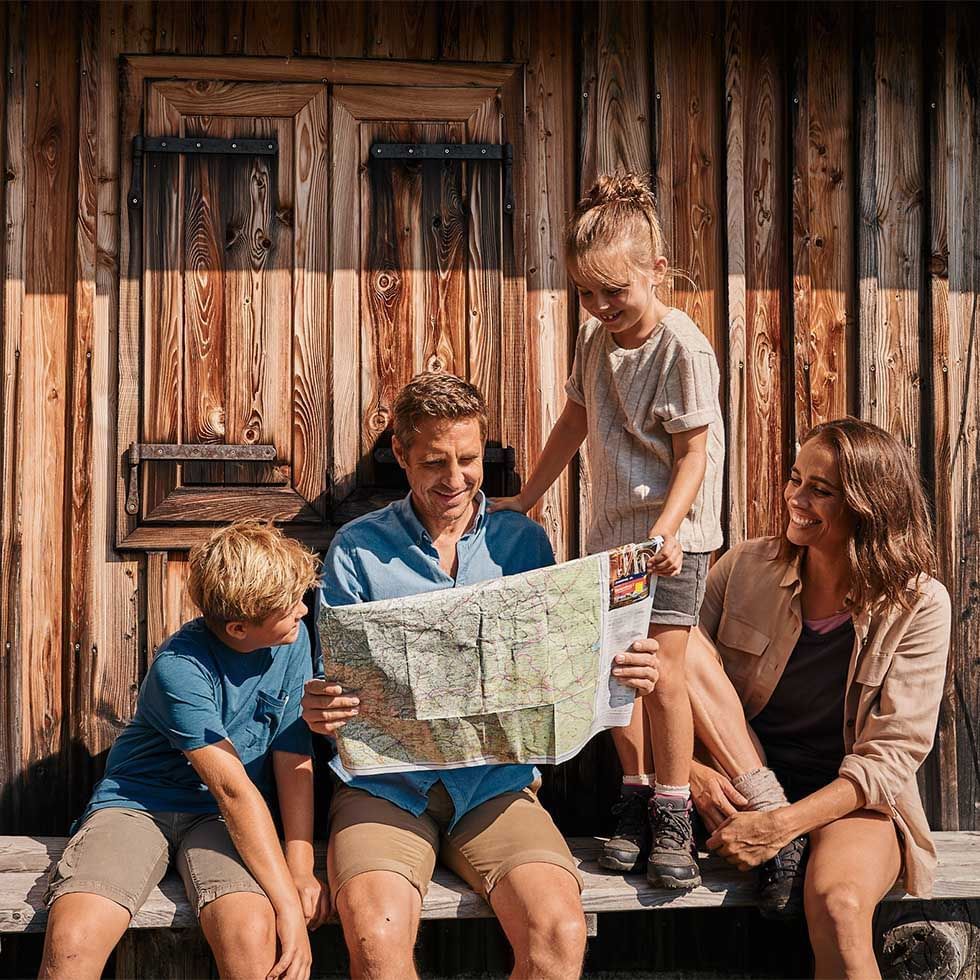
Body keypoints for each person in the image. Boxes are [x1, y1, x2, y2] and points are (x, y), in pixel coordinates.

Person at [302, 372, 660, 980]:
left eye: (468, 459)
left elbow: (557, 662)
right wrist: (321, 706)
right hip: (386, 789)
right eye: (433, 462)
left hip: (495, 786)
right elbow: (330, 678)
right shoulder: (357, 549)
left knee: (559, 932)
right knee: (374, 940)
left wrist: (618, 668)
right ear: (401, 455)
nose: (454, 478)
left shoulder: (523, 543)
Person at [492, 172, 724, 888]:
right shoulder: (595, 341)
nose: (599, 306)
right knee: (616, 672)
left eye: (614, 292)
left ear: (655, 270)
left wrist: (668, 531)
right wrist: (527, 497)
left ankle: (674, 809)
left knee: (663, 675)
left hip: (672, 542)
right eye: (586, 293)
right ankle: (633, 790)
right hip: (610, 539)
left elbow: (694, 454)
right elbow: (574, 421)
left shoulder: (683, 349)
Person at [685, 418, 951, 977]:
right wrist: (691, 771)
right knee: (672, 638)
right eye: (794, 478)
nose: (795, 499)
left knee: (839, 905)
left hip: (848, 798)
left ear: (868, 504)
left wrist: (782, 826)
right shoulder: (743, 568)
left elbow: (891, 758)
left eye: (820, 490)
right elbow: (671, 677)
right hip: (742, 782)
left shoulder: (919, 604)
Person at [40, 521, 327, 980]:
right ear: (238, 627)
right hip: (140, 805)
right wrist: (291, 910)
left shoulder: (290, 640)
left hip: (218, 819)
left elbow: (292, 752)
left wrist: (300, 865)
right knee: (73, 940)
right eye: (290, 604)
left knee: (252, 933)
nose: (302, 610)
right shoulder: (181, 669)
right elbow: (233, 789)